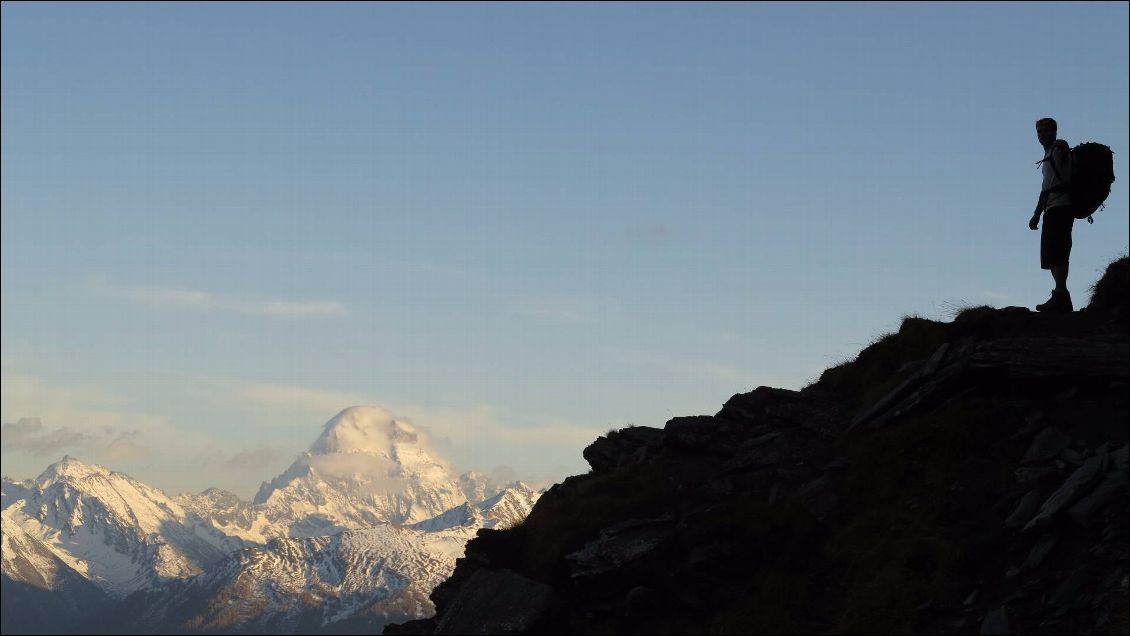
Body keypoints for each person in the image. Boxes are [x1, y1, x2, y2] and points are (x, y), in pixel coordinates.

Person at [1029, 117, 1075, 313]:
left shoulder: (1059, 148)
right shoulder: (1048, 156)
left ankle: (1061, 295)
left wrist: (1037, 214)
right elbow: (1045, 188)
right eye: (1039, 132)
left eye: (1046, 131)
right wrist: (1037, 214)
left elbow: (1054, 184)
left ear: (1054, 132)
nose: (1042, 135)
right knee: (1052, 254)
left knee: (1058, 251)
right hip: (1051, 208)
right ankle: (1060, 294)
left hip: (1062, 206)